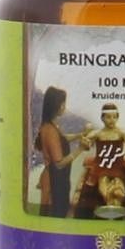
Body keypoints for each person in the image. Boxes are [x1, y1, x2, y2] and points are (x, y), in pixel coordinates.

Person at [34, 86, 90, 217]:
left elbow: (62, 139)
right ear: (56, 106)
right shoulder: (50, 131)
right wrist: (80, 149)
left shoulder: (49, 126)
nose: (64, 107)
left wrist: (79, 135)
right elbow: (59, 163)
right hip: (53, 182)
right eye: (63, 104)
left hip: (54, 178)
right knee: (53, 215)